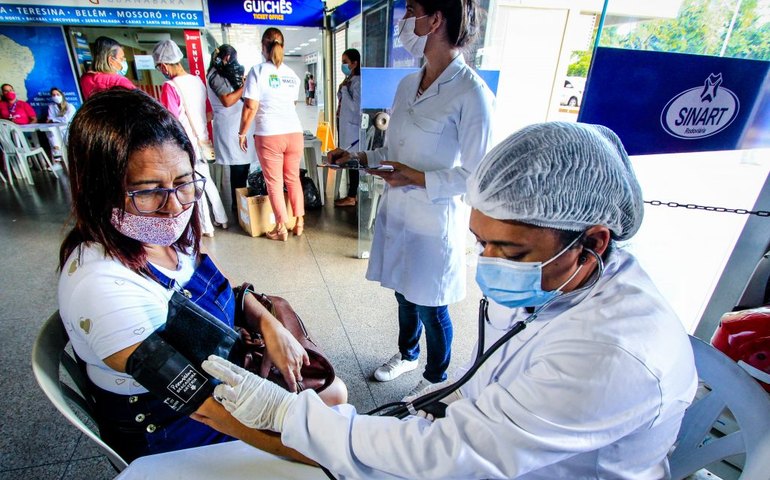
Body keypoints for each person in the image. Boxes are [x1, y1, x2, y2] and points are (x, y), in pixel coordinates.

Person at [198, 121, 699, 479]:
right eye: (481, 243)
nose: (490, 263)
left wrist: (288, 416)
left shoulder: (614, 353)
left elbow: (452, 458)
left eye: (511, 251)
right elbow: (486, 398)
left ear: (594, 241)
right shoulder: (558, 277)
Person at [57, 88, 346, 463]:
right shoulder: (101, 288)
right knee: (331, 409)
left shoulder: (163, 238)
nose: (174, 206)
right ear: (100, 191)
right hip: (173, 426)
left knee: (333, 394)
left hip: (217, 377)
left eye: (183, 182)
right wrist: (320, 454)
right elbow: (204, 408)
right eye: (148, 192)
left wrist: (270, 324)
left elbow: (227, 292)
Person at [328, 0, 494, 396]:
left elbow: (477, 176)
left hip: (434, 222)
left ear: (435, 20)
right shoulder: (407, 85)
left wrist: (415, 178)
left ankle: (436, 380)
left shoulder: (472, 93)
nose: (403, 21)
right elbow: (393, 150)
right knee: (404, 293)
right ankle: (407, 354)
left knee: (431, 306)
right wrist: (358, 158)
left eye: (410, 10)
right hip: (399, 214)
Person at [153, 39, 229, 238]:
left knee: (195, 185)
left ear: (164, 65)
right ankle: (222, 218)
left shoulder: (170, 86)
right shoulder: (197, 81)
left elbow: (170, 121)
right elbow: (209, 113)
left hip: (185, 144)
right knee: (207, 181)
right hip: (203, 141)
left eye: (159, 67)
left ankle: (206, 227)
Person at [238, 28, 305, 242]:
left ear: (263, 46)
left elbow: (250, 106)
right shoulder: (292, 75)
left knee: (274, 183)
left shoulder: (257, 71)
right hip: (294, 133)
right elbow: (292, 105)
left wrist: (242, 133)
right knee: (293, 179)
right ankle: (299, 222)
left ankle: (281, 228)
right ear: (282, 46)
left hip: (269, 134)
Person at [206, 44, 255, 214]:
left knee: (243, 166)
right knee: (238, 168)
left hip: (239, 125)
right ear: (226, 58)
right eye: (232, 59)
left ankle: (241, 203)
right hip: (230, 127)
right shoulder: (215, 75)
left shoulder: (224, 73)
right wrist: (245, 86)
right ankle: (238, 206)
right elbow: (227, 100)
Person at [334, 49, 361, 208]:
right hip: (345, 124)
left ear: (354, 63)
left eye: (346, 62)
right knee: (347, 157)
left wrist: (344, 90)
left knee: (353, 159)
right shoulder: (349, 80)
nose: (343, 65)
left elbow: (355, 107)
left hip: (352, 127)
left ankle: (352, 196)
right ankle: (351, 193)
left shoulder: (357, 82)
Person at [45, 87, 77, 159]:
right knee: (50, 131)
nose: (56, 96)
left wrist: (53, 120)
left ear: (62, 95)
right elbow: (49, 119)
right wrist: (54, 120)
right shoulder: (52, 107)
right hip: (57, 128)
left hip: (68, 128)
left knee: (69, 145)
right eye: (53, 95)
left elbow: (66, 119)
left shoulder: (70, 106)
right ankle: (57, 156)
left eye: (57, 94)